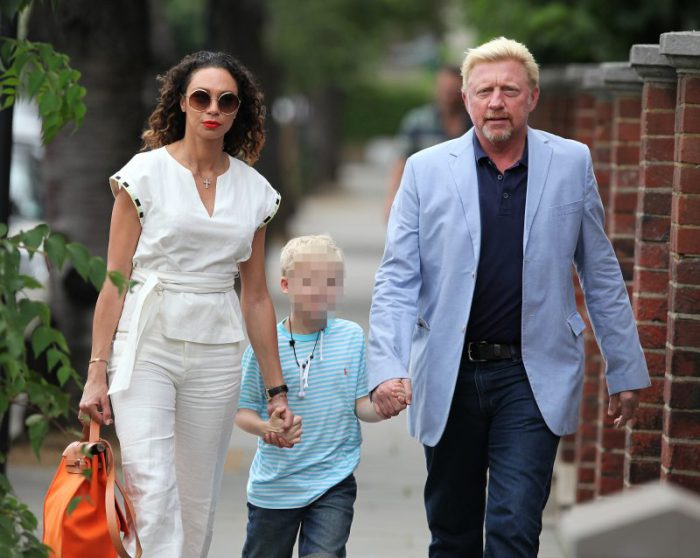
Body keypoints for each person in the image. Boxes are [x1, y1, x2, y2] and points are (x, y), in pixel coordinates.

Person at [368, 37, 650, 557]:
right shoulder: (425, 170)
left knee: (514, 529)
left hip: (532, 373)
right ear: (468, 99)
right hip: (450, 374)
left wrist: (625, 366)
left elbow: (601, 271)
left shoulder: (571, 162)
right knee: (452, 535)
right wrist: (386, 364)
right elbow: (397, 278)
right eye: (485, 91)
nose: (496, 101)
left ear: (532, 97)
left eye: (509, 90)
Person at [78, 51, 295, 558]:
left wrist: (275, 390)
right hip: (146, 342)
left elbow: (257, 296)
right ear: (182, 102)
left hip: (216, 350)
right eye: (201, 97)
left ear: (239, 110)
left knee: (197, 505)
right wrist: (96, 370)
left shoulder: (255, 191)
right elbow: (115, 280)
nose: (212, 108)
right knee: (152, 492)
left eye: (226, 100)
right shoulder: (144, 174)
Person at [235, 234, 405, 558]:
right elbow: (242, 413)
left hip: (332, 479)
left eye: (330, 282)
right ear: (285, 285)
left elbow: (360, 406)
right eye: (309, 281)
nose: (320, 290)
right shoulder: (265, 346)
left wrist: (383, 407)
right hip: (276, 486)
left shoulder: (351, 338)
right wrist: (265, 428)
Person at [384, 64, 472, 221]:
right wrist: (392, 200)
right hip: (426, 202)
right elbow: (401, 162)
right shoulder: (418, 121)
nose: (447, 93)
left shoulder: (474, 124)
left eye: (453, 88)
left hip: (467, 204)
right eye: (444, 87)